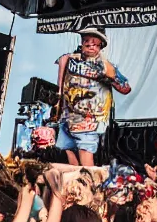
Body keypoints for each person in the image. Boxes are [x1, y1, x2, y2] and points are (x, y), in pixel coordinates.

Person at [55, 28, 131, 167]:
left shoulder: (105, 66)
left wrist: (109, 78)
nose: (91, 46)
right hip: (67, 117)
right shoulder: (69, 60)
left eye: (95, 44)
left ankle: (89, 184)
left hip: (89, 119)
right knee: (67, 155)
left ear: (101, 45)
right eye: (87, 42)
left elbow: (125, 88)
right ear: (82, 42)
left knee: (86, 157)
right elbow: (60, 86)